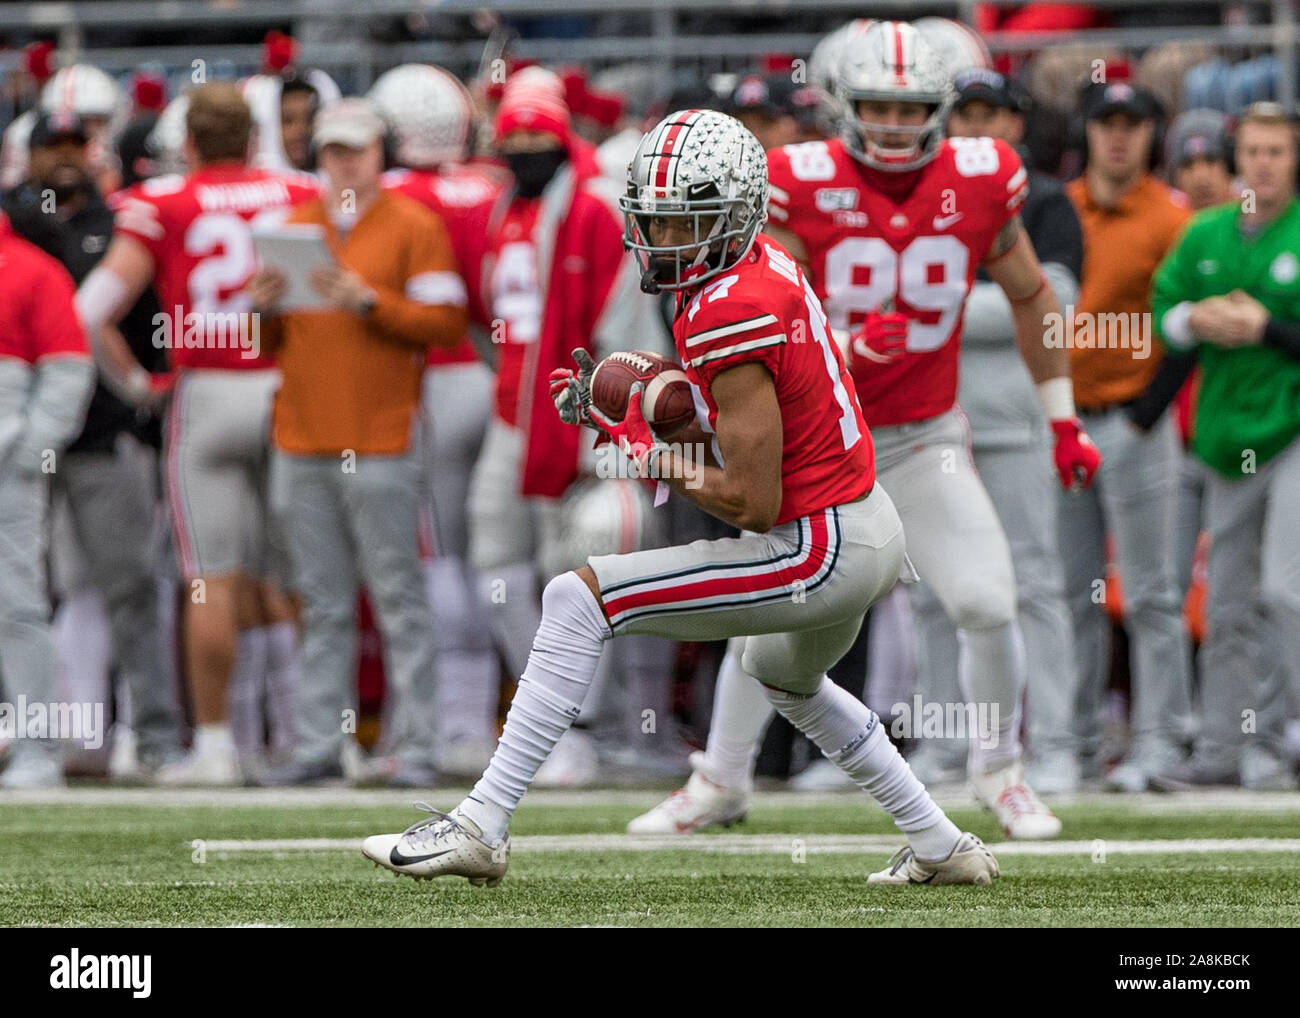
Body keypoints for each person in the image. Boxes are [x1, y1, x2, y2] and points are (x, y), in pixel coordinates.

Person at [362, 109, 1001, 888]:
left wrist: (648, 448)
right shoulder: (758, 265)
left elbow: (750, 501)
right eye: (655, 221)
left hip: (816, 545)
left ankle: (482, 823)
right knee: (788, 681)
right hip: (860, 527)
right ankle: (940, 845)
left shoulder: (725, 307)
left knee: (577, 595)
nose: (663, 241)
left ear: (735, 215)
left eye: (685, 222)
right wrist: (643, 412)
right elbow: (753, 424)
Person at [631, 21, 1098, 840]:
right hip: (819, 443)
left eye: (909, 105)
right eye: (876, 102)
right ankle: (722, 778)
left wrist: (1061, 419)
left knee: (989, 600)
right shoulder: (797, 179)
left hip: (923, 439)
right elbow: (753, 307)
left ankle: (999, 770)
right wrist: (842, 346)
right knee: (770, 611)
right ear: (841, 104)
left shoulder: (984, 176)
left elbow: (1030, 294)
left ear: (940, 107)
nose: (891, 120)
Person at [75, 82, 320, 785]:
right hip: (286, 389)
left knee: (210, 579)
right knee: (300, 575)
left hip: (207, 393)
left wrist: (139, 389)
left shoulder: (161, 203)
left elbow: (90, 310)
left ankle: (215, 746)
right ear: (254, 137)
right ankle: (310, 739)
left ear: (186, 142)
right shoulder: (295, 188)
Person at [249, 98, 469, 786]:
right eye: (332, 150)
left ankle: (418, 746)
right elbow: (270, 345)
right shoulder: (291, 226)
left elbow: (447, 323)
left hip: (381, 435)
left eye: (356, 149)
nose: (343, 162)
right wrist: (262, 308)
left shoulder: (414, 224)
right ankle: (320, 744)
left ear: (382, 153)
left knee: (397, 594)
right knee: (322, 600)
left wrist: (369, 300)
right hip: (303, 432)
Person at [465, 68, 664, 784]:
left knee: (578, 567)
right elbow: (488, 319)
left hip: (573, 413)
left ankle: (594, 729)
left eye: (534, 133)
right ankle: (559, 714)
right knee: (495, 563)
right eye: (510, 132)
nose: (521, 144)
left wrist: (603, 420)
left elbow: (625, 324)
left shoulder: (592, 208)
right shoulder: (501, 208)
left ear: (561, 136)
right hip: (511, 410)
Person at [905, 67, 1085, 793]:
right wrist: (988, 301)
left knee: (1036, 583)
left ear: (1016, 123)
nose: (977, 127)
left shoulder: (1041, 200)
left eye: (992, 114)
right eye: (964, 114)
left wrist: (936, 305)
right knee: (930, 591)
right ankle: (946, 747)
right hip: (933, 421)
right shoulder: (922, 196)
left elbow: (1052, 304)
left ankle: (1055, 744)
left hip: (1013, 423)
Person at [3, 110, 184, 779]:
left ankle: (156, 735)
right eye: (52, 146)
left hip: (100, 437)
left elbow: (152, 323)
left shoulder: (118, 226)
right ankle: (41, 735)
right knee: (28, 596)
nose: (65, 158)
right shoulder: (16, 222)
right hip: (16, 446)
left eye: (76, 144)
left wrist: (144, 394)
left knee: (128, 587)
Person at [1150, 102, 1300, 791]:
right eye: (1255, 151)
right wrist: (1195, 317)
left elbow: (1272, 330)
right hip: (1224, 436)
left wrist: (1266, 329)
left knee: (1283, 590)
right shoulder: (1205, 232)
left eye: (1278, 150)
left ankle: (1276, 740)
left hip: (1292, 428)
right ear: (1237, 159)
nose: (1264, 163)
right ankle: (1221, 748)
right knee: (1226, 604)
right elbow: (1165, 316)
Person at [369, 63, 505, 777]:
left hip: (424, 386)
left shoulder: (388, 196)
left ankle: (446, 726)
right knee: (489, 560)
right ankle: (472, 721)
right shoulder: (492, 189)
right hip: (492, 380)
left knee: (433, 559)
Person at [1062, 81, 1194, 792]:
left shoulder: (1170, 218)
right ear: (1088, 132)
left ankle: (1159, 744)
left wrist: (1149, 410)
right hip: (1065, 420)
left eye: (1132, 124)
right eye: (1107, 123)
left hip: (1134, 421)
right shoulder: (1059, 208)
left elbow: (1187, 324)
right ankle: (1073, 745)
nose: (1119, 137)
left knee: (1151, 594)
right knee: (1066, 592)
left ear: (1151, 135)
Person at [0, 211, 96, 788]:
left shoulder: (32, 270)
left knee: (16, 603)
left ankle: (36, 749)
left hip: (7, 464)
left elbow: (69, 369)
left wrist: (29, 449)